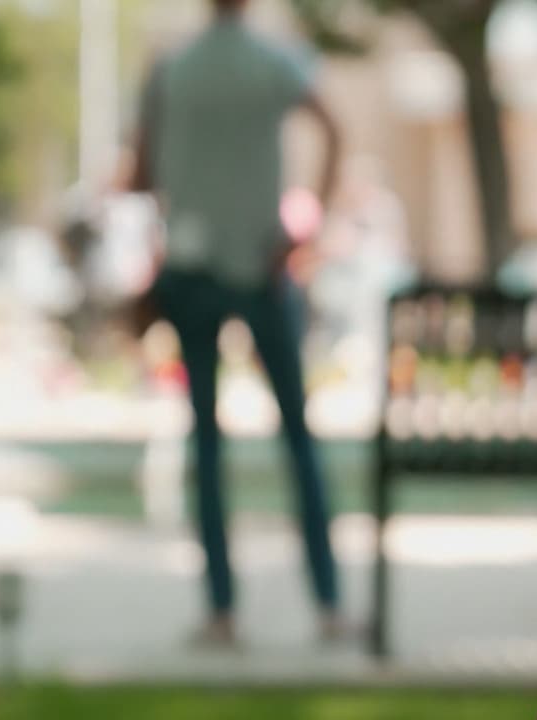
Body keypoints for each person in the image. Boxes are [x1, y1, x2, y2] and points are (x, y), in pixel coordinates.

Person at [128, 0, 344, 647]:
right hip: (261, 260)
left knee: (206, 443)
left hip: (192, 266)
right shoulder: (274, 62)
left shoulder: (170, 69)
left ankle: (222, 612)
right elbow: (334, 130)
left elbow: (142, 173)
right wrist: (312, 225)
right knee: (297, 439)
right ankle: (329, 604)